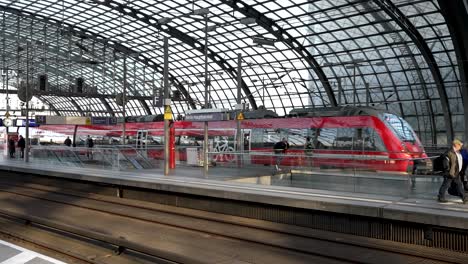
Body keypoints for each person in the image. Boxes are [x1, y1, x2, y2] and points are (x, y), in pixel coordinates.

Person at [437, 139, 467, 203]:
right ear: (456, 144)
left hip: (456, 172)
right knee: (446, 185)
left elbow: (457, 162)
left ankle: (464, 198)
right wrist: (447, 171)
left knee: (459, 185)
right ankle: (440, 197)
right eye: (459, 145)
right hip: (450, 173)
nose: (460, 146)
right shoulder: (449, 152)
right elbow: (445, 163)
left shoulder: (457, 152)